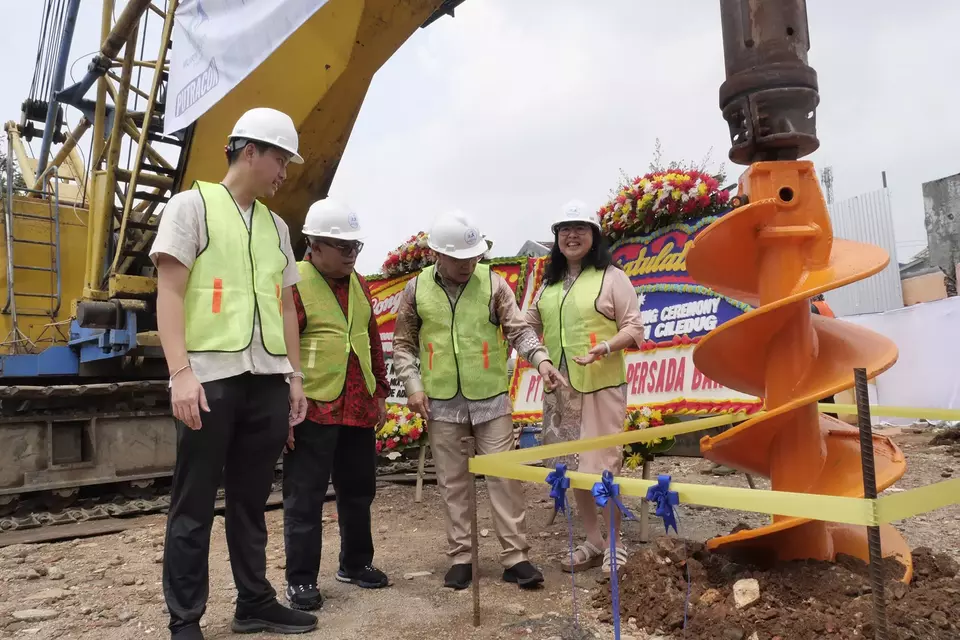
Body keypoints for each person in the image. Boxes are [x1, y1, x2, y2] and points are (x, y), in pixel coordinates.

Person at [151, 107, 317, 639]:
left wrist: (293, 377)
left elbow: (288, 308)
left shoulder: (277, 227)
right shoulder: (190, 207)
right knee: (194, 502)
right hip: (209, 379)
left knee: (250, 502)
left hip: (267, 381)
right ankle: (185, 618)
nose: (284, 174)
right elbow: (170, 292)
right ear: (250, 152)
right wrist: (180, 372)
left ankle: (255, 602)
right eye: (280, 161)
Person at [393, 211, 567, 591]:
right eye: (460, 259)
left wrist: (542, 362)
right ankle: (461, 557)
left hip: (490, 400)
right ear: (439, 255)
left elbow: (519, 331)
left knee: (504, 476)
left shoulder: (494, 284)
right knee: (453, 481)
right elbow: (403, 345)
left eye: (474, 257)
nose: (468, 265)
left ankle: (515, 557)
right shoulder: (416, 290)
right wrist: (413, 386)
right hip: (440, 402)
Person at [282, 198, 391, 611]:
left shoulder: (360, 283)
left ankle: (356, 563)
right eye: (342, 247)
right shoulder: (294, 282)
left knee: (359, 490)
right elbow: (279, 349)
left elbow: (371, 339)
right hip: (311, 406)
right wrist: (283, 410)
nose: (350, 255)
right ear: (314, 244)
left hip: (358, 406)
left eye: (355, 247)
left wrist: (379, 391)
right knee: (305, 496)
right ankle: (302, 580)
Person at [524, 200, 644, 574]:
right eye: (565, 230)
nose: (572, 236)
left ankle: (614, 543)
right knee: (572, 466)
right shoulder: (548, 286)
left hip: (601, 386)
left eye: (580, 229)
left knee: (602, 465)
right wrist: (541, 358)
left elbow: (634, 327)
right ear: (557, 239)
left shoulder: (612, 277)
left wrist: (605, 347)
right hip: (560, 391)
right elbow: (524, 325)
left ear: (594, 237)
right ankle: (594, 541)